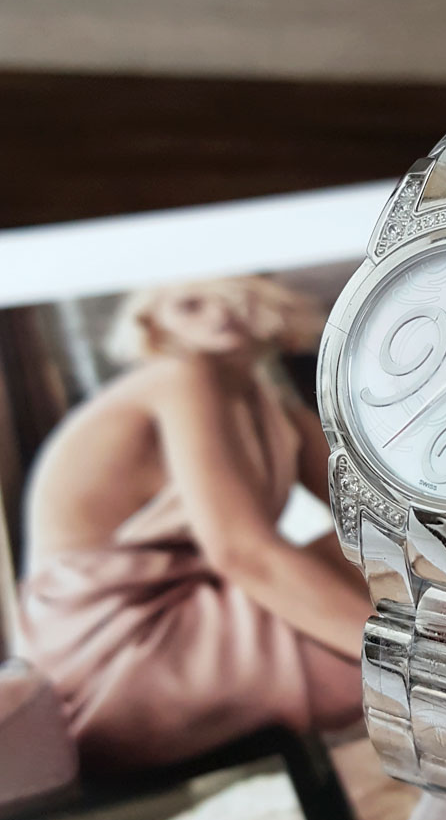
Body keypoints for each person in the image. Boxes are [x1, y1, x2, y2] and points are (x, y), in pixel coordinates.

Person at [17, 277, 372, 772]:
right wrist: (405, 655)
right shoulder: (178, 378)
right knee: (386, 637)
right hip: (116, 645)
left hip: (192, 602)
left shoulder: (271, 407)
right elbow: (242, 553)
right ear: (153, 324)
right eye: (190, 305)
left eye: (236, 299)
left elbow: (369, 519)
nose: (219, 316)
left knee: (369, 556)